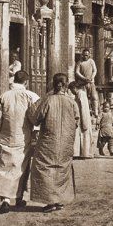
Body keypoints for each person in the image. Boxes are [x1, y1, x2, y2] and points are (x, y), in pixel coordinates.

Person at [0, 71, 36, 214]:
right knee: (21, 169)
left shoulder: (3, 96)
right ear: (26, 82)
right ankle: (19, 198)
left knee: (5, 168)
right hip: (23, 138)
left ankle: (5, 199)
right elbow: (37, 118)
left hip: (6, 138)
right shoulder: (31, 96)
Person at [26, 73, 80, 213]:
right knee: (62, 168)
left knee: (45, 168)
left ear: (53, 84)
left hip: (49, 141)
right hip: (66, 142)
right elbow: (76, 121)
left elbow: (34, 117)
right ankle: (59, 199)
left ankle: (50, 202)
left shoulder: (47, 100)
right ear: (66, 85)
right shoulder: (71, 102)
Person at [68, 81, 94, 159]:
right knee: (80, 135)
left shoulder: (81, 94)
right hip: (80, 116)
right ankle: (80, 153)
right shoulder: (78, 94)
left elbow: (83, 108)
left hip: (83, 116)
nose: (72, 92)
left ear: (74, 88)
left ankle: (85, 153)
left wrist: (84, 120)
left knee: (83, 135)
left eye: (72, 90)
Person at [75, 48, 99, 117]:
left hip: (91, 82)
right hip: (82, 83)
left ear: (89, 55)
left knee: (94, 97)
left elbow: (95, 70)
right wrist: (83, 78)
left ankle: (95, 112)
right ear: (82, 55)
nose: (85, 56)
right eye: (84, 55)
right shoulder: (79, 62)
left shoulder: (91, 61)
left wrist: (92, 77)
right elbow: (77, 72)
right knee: (83, 98)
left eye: (87, 55)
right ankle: (85, 112)